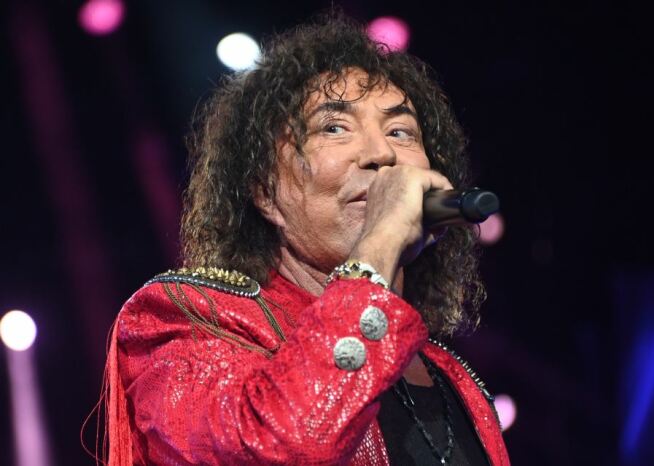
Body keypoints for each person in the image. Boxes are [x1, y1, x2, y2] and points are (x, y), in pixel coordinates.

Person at [102, 14, 510, 466]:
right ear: (264, 192)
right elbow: (282, 444)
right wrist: (381, 241)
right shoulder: (186, 323)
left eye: (400, 132)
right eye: (333, 127)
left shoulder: (456, 379)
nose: (382, 154)